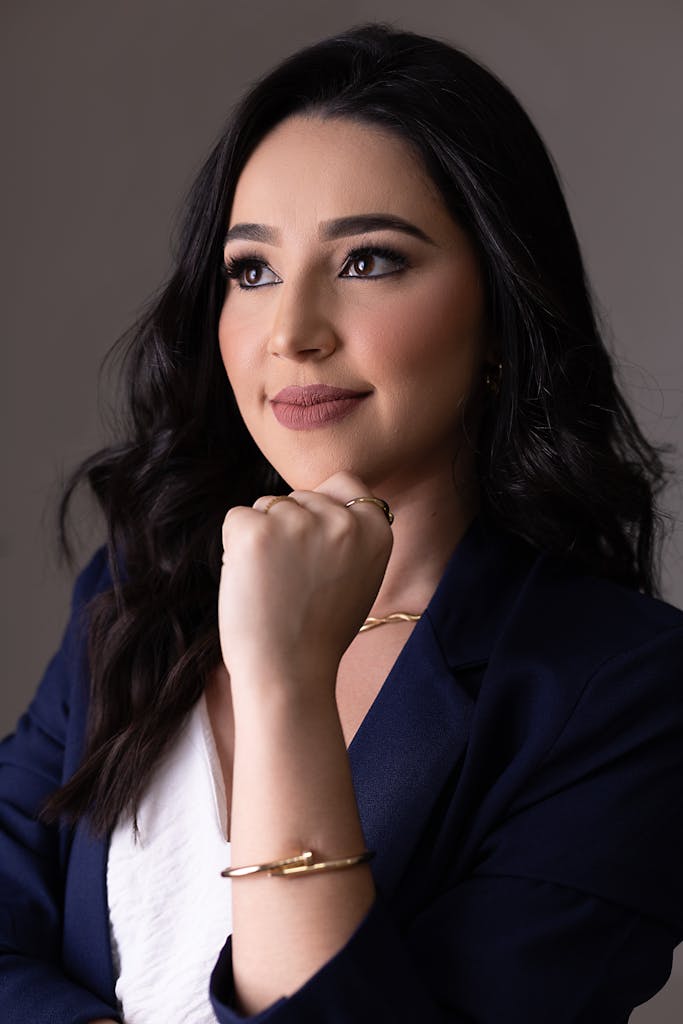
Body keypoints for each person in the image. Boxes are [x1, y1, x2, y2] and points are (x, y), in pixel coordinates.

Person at [1, 21, 682, 1024]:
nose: (292, 331)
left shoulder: (621, 691)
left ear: (498, 312)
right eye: (251, 270)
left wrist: (283, 688)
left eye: (366, 261)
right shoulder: (136, 589)